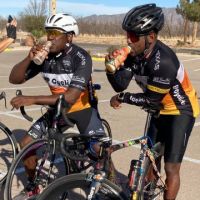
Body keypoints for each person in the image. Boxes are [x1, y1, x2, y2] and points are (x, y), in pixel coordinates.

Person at [105, 4, 199, 200]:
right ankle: (146, 194)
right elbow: (120, 84)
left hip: (180, 110)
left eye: (133, 37)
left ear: (151, 37)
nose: (128, 41)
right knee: (150, 158)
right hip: (158, 109)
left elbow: (150, 100)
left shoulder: (164, 61)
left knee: (170, 167)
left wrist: (123, 98)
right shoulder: (135, 55)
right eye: (127, 35)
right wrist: (110, 70)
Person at [9, 13, 107, 199]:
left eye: (55, 32)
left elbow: (70, 97)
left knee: (99, 150)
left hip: (82, 109)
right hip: (58, 109)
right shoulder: (45, 57)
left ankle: (109, 178)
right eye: (48, 32)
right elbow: (14, 79)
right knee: (24, 146)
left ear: (69, 36)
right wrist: (28, 58)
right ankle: (34, 185)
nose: (50, 37)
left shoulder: (81, 57)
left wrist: (32, 99)